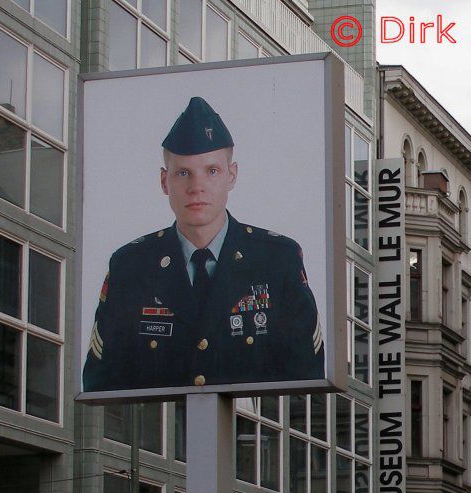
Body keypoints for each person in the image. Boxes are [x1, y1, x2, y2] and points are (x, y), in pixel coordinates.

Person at [82, 96, 325, 393]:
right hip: (159, 438)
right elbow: (102, 383)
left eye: (211, 171)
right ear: (164, 181)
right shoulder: (131, 266)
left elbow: (306, 380)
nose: (196, 187)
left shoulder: (277, 260)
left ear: (231, 176)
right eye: (183, 173)